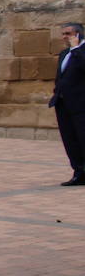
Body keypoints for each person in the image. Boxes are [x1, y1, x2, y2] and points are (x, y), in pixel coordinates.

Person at [52, 23, 85, 186]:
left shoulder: (81, 52)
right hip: (64, 103)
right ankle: (79, 173)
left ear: (78, 34)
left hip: (81, 105)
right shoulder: (64, 53)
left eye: (68, 33)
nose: (64, 36)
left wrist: (77, 49)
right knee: (70, 140)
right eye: (63, 34)